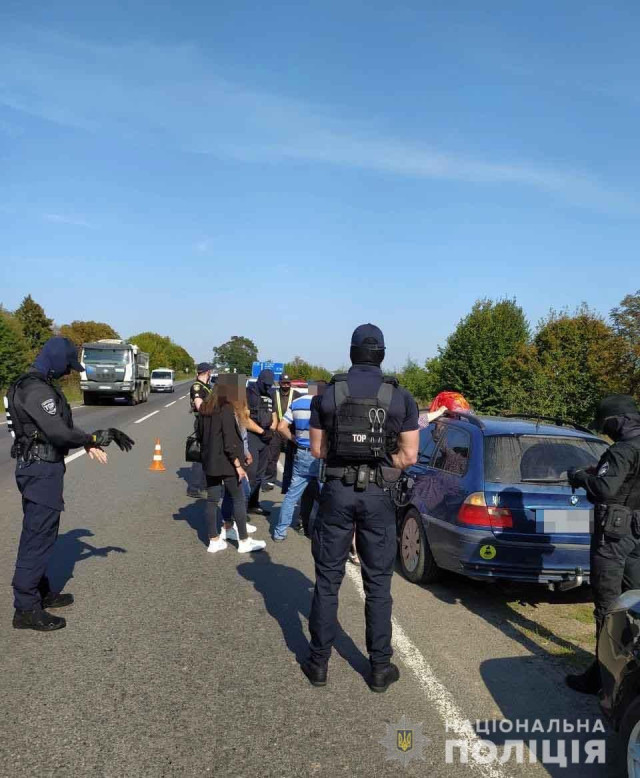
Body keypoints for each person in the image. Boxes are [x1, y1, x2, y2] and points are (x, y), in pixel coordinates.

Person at [302, 324, 419, 692]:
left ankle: (318, 664)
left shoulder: (328, 393)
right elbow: (409, 456)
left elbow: (317, 450)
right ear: (381, 354)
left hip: (337, 491)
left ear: (352, 352)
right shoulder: (400, 397)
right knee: (378, 583)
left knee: (327, 580)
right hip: (378, 496)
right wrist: (383, 462)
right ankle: (380, 668)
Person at [5, 337, 135, 632]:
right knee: (37, 537)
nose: (68, 373)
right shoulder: (37, 390)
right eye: (67, 366)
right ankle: (25, 608)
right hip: (40, 471)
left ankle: (41, 591)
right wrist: (92, 438)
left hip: (39, 468)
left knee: (43, 533)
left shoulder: (32, 384)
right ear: (55, 360)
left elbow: (55, 428)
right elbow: (58, 433)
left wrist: (86, 442)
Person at [566, 394, 640, 694]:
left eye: (605, 425)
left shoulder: (622, 450)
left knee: (608, 607)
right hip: (637, 534)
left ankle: (601, 678)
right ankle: (629, 669)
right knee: (634, 602)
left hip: (613, 537)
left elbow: (605, 489)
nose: (605, 431)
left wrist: (580, 477)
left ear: (618, 421)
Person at [198, 375, 266, 554]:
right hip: (227, 462)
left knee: (212, 500)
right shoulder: (226, 409)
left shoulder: (204, 407)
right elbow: (229, 442)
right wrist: (238, 465)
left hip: (209, 461)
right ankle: (244, 541)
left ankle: (214, 540)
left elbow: (200, 435)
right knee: (238, 498)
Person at [272, 381, 326, 542]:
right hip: (320, 454)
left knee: (292, 495)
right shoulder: (324, 403)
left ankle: (280, 532)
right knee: (325, 496)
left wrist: (294, 439)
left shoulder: (296, 403)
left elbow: (281, 427)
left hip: (302, 452)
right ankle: (320, 533)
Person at [246, 369, 277, 515]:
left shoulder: (270, 394)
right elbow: (244, 418)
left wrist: (271, 430)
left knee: (260, 474)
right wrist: (261, 431)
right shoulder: (248, 393)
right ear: (259, 380)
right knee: (250, 474)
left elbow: (274, 415)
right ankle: (241, 507)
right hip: (251, 436)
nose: (268, 387)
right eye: (266, 385)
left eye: (270, 385)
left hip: (265, 437)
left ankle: (253, 504)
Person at [264, 374, 296, 490]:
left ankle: (288, 483)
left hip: (289, 430)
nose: (286, 385)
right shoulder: (272, 394)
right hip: (276, 431)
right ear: (279, 383)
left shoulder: (297, 395)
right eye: (283, 383)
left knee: (290, 458)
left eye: (288, 383)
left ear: (290, 383)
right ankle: (269, 481)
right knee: (271, 457)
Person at [187, 362, 213, 498]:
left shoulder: (207, 386)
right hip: (203, 422)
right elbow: (200, 406)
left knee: (207, 454)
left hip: (208, 422)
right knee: (201, 454)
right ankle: (195, 487)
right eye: (210, 372)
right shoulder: (197, 386)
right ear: (208, 372)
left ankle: (205, 485)